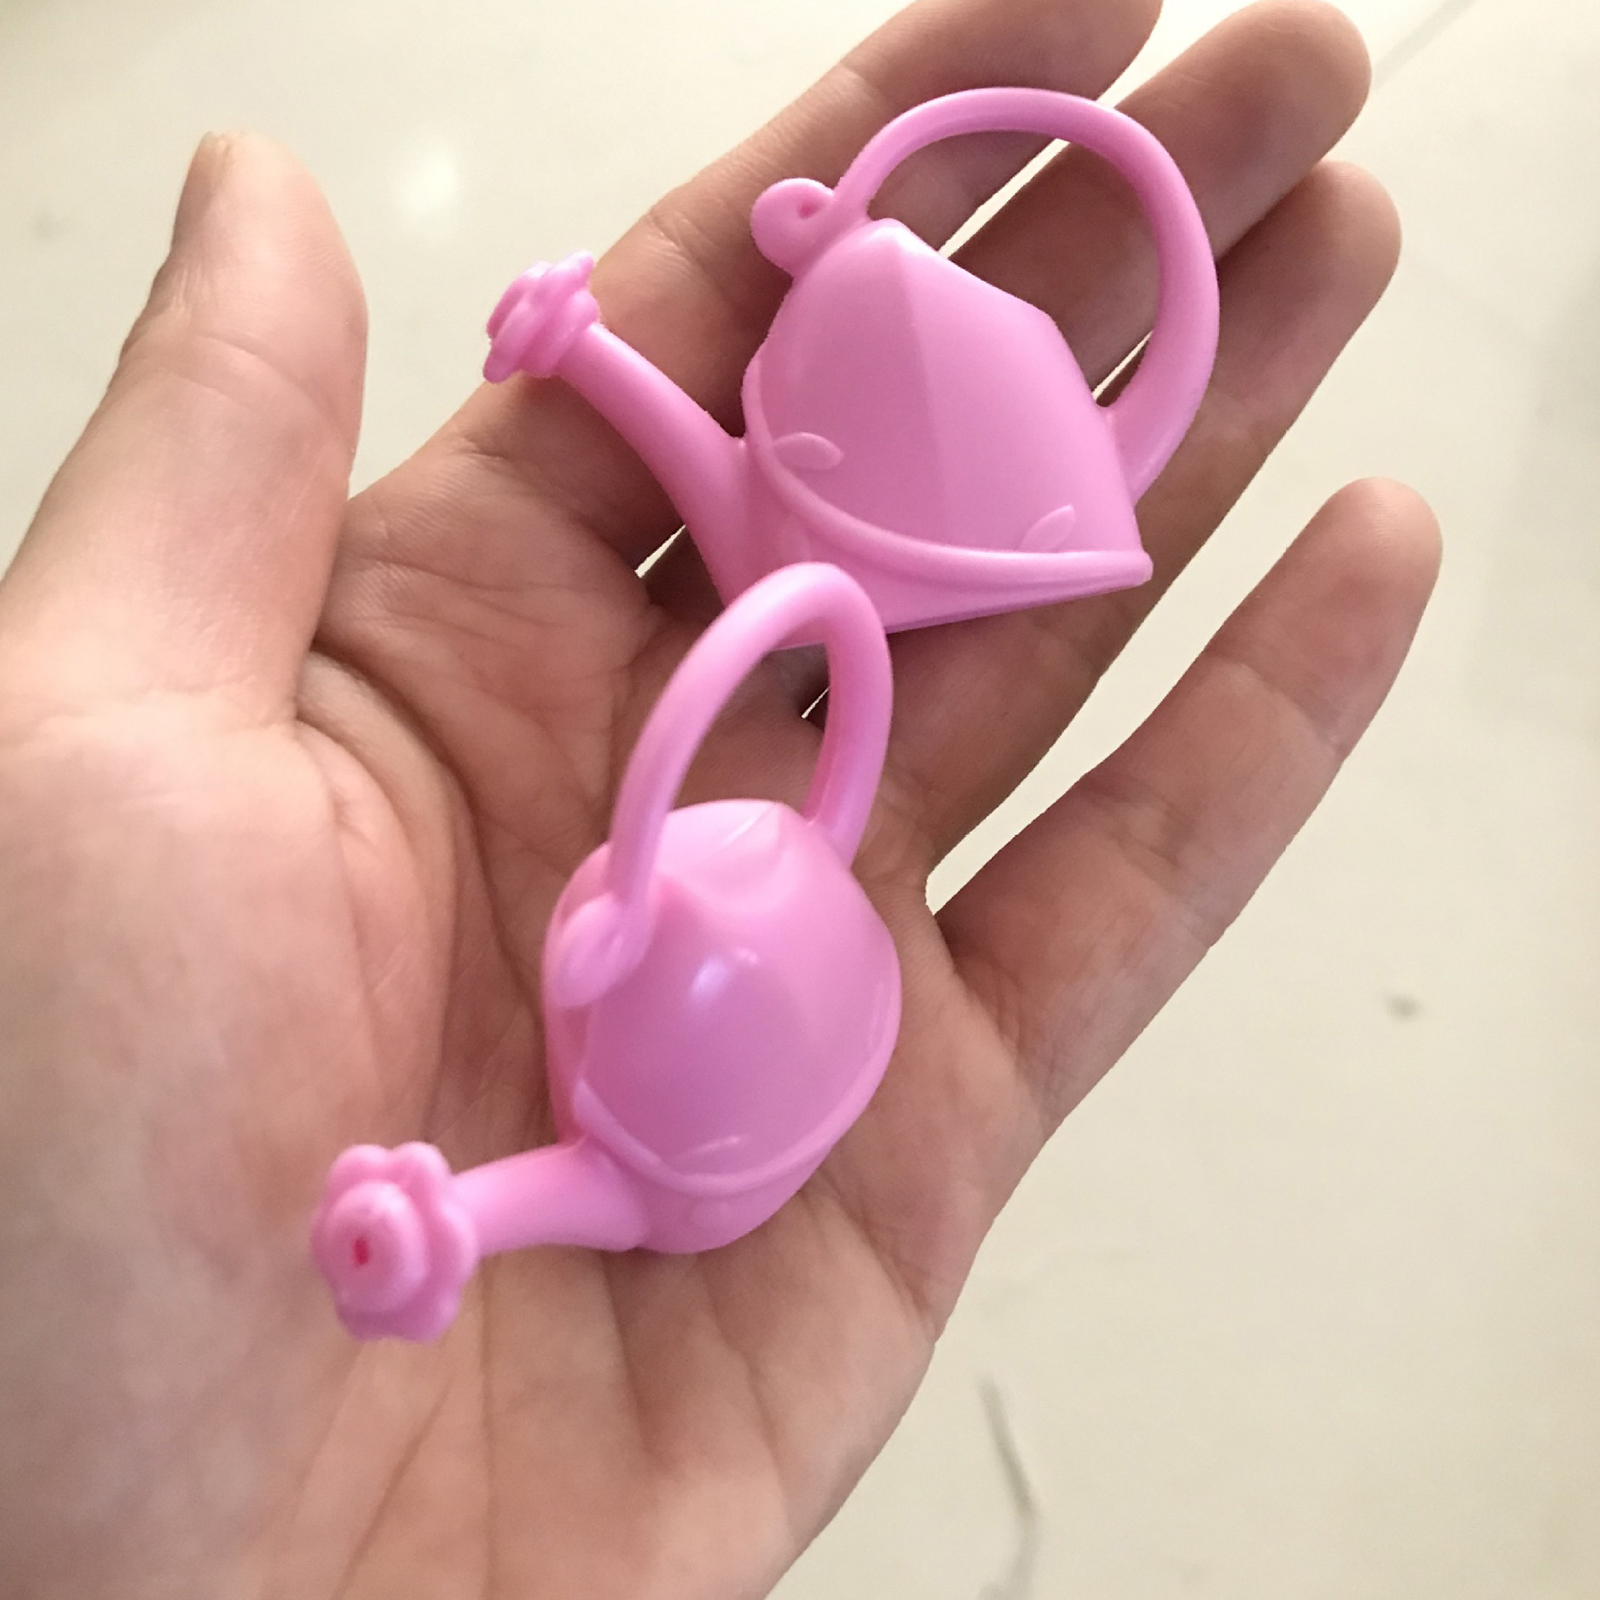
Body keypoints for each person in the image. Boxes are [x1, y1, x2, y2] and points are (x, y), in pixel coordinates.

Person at [0, 0, 1438, 1594]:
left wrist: (597, 354)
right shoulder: (720, 856)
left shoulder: (724, 823)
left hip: (792, 891)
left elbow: (763, 550)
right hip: (779, 914)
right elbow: (765, 551)